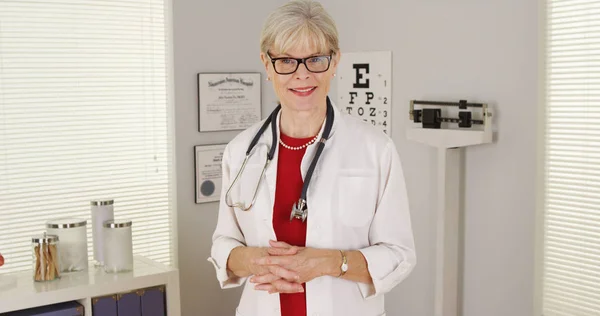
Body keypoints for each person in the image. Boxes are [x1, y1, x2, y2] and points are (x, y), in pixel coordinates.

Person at [208, 1, 416, 315]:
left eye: (316, 59)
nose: (302, 75)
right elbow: (224, 240)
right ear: (267, 65)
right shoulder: (240, 151)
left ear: (335, 62)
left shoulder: (375, 149)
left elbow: (400, 254)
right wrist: (252, 260)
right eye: (287, 61)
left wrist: (331, 263)